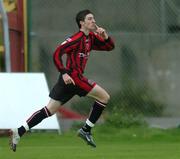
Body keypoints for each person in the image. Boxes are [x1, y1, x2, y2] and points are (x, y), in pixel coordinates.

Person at [9, 9, 115, 152]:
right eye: (90, 19)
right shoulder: (76, 39)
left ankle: (19, 131)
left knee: (49, 110)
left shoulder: (91, 38)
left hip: (70, 80)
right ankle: (86, 130)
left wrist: (105, 36)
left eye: (94, 18)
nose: (93, 21)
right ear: (81, 23)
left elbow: (109, 47)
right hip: (74, 77)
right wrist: (64, 72)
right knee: (104, 97)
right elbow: (57, 53)